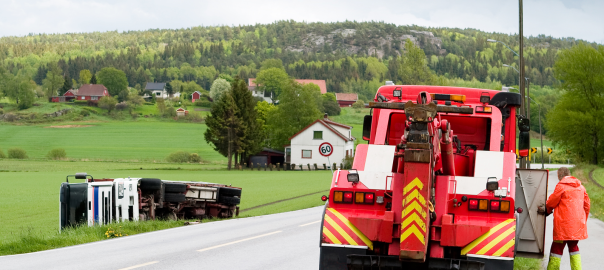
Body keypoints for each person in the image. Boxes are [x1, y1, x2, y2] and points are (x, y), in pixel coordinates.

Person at [545, 167, 590, 270]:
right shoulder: (581, 187)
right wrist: (582, 221)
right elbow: (587, 206)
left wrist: (547, 210)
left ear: (560, 174)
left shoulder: (561, 187)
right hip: (576, 226)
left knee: (557, 248)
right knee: (574, 247)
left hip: (563, 227)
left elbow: (552, 202)